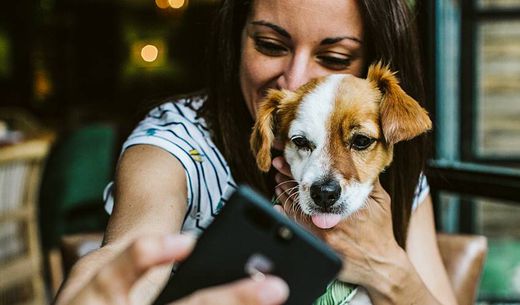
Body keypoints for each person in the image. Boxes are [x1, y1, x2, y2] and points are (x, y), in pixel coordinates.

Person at [54, 1, 458, 305]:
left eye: (333, 59)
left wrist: (386, 266)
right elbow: (130, 249)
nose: (295, 79)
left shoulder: (388, 153)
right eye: (269, 44)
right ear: (237, 38)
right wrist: (97, 290)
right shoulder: (178, 141)